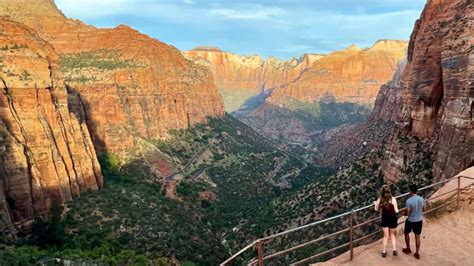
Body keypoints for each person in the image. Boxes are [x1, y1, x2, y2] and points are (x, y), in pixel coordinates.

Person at [374, 185, 399, 257]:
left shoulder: (380, 199)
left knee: (386, 236)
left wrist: (376, 204)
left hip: (385, 219)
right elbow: (396, 210)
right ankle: (394, 250)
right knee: (392, 235)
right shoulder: (393, 199)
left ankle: (384, 251)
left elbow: (376, 209)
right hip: (393, 218)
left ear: (382, 192)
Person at [402, 184, 426, 260]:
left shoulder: (408, 201)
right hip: (419, 220)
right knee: (417, 236)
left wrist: (404, 213)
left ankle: (408, 248)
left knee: (406, 233)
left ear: (410, 192)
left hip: (411, 220)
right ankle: (417, 253)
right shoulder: (422, 199)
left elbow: (407, 213)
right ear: (417, 191)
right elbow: (424, 210)